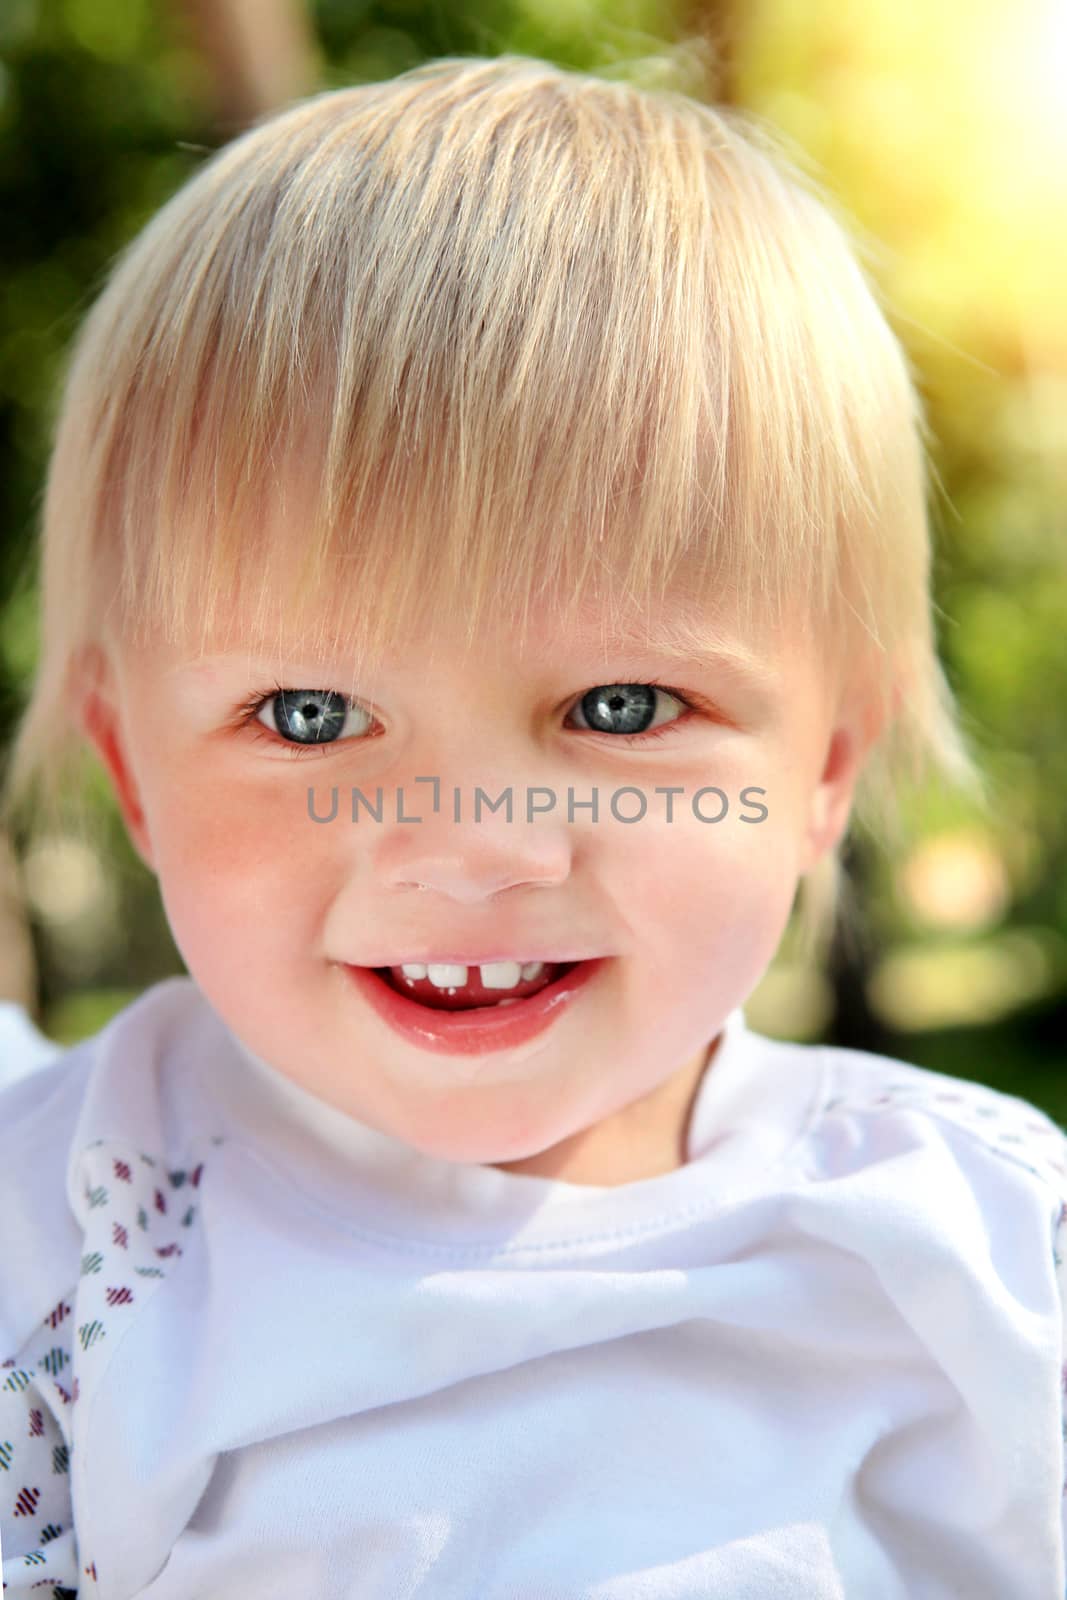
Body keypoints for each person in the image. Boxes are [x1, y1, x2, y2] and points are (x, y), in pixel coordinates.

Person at [0, 50, 1063, 1600]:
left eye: (622, 709)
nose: (474, 845)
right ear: (131, 772)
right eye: (308, 717)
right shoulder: (61, 1231)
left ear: (828, 758)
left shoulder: (984, 1260)